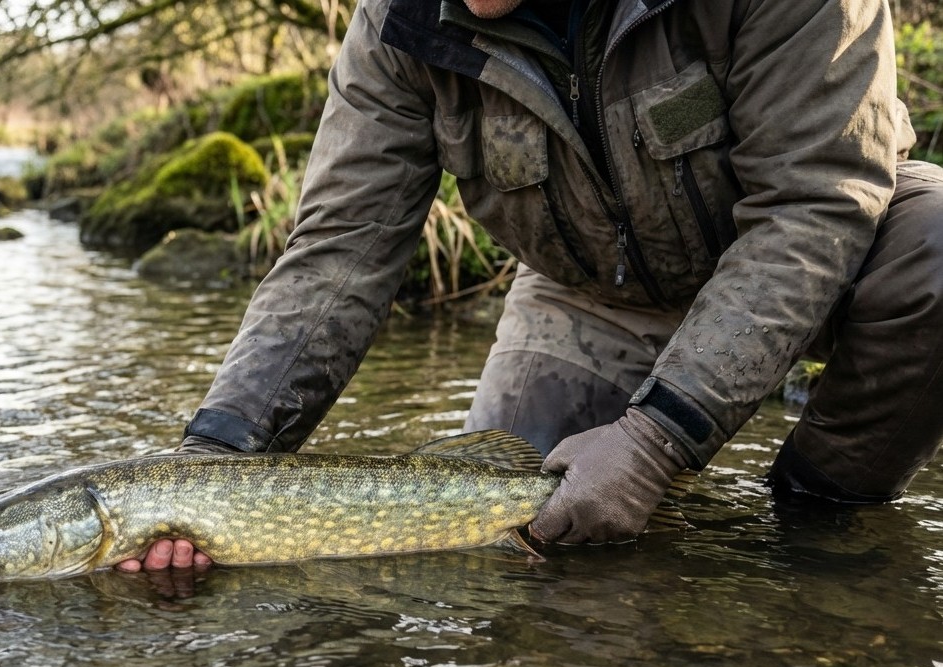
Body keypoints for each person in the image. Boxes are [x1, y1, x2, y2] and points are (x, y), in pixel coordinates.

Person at [116, 0, 943, 573]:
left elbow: (813, 201)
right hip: (588, 295)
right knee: (505, 543)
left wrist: (657, 440)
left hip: (834, 245)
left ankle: (815, 526)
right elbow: (340, 249)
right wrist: (211, 463)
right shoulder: (397, 25)